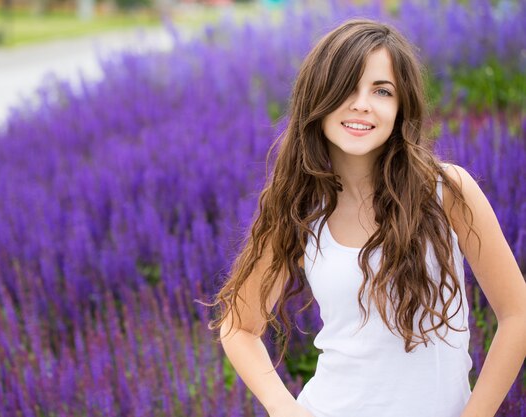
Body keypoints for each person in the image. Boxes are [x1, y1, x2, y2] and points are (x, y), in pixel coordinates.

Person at [206, 18, 526, 417]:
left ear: (400, 106)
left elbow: (517, 315)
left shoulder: (446, 192)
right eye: (347, 87)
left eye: (382, 90)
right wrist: (282, 406)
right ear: (317, 98)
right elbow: (238, 325)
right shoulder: (300, 209)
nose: (362, 103)